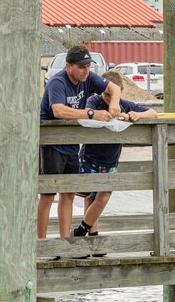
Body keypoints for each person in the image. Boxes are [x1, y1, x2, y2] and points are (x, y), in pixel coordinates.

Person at [38, 45, 121, 241]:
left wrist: (114, 103)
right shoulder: (57, 82)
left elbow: (114, 87)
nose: (86, 70)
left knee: (68, 194)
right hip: (51, 145)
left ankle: (65, 240)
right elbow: (59, 111)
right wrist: (91, 113)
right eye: (82, 66)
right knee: (48, 195)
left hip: (72, 146)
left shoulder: (88, 77)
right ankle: (40, 242)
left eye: (88, 66)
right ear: (69, 66)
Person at [74, 71, 158, 245]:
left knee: (103, 197)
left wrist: (137, 115)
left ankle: (81, 229)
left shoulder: (125, 105)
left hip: (110, 160)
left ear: (121, 91)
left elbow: (153, 113)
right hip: (90, 157)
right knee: (90, 197)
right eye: (106, 94)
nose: (108, 98)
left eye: (112, 94)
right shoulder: (94, 101)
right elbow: (87, 112)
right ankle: (93, 236)